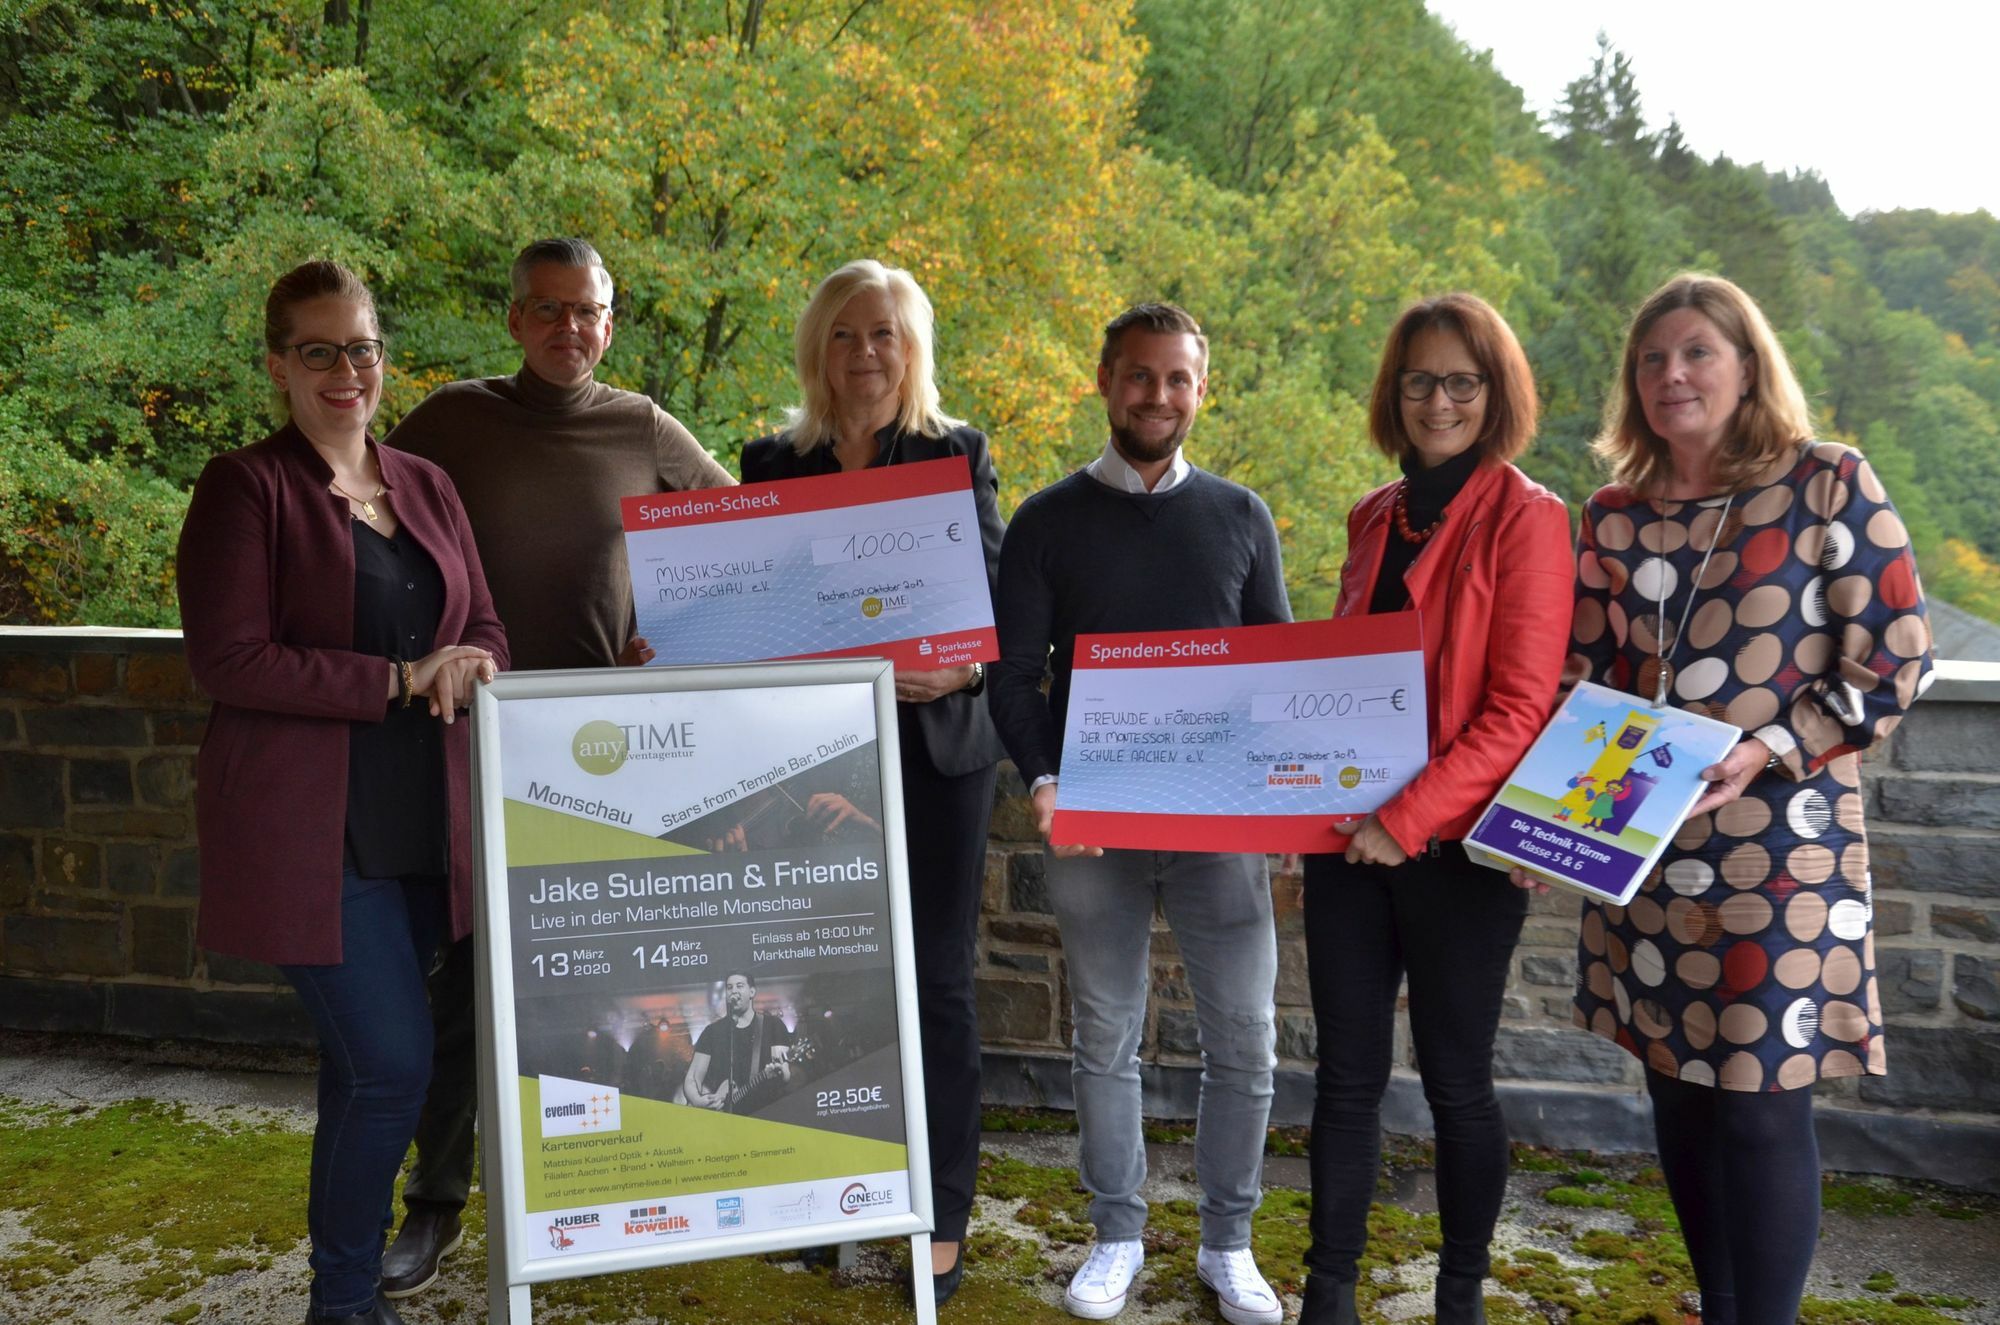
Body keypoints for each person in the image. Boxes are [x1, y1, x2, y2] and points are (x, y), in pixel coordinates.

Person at [1532, 273, 1935, 1325]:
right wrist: (1551, 822)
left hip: (1779, 850)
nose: (1672, 373)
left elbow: (1895, 656)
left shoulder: (1825, 481)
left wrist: (1768, 745)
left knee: (1758, 1108)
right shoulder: (1613, 515)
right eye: (1651, 359)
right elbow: (1588, 682)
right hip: (1647, 851)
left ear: (1747, 367)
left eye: (1696, 352)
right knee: (1676, 1092)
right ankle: (1718, 1307)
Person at [379, 237, 735, 1298]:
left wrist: (675, 633)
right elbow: (367, 520)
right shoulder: (451, 420)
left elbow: (743, 540)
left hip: (604, 760)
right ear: (514, 319)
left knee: (601, 989)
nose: (569, 328)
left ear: (609, 324)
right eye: (548, 308)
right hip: (465, 746)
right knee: (461, 990)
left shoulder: (643, 427)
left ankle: (600, 1199)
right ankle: (435, 1201)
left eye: (588, 311)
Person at [177, 260, 508, 1325]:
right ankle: (346, 1301)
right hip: (312, 832)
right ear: (279, 364)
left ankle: (343, 1288)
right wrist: (399, 679)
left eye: (361, 347)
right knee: (393, 1065)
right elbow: (228, 658)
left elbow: (483, 623)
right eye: (318, 350)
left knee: (362, 1066)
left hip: (424, 823)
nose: (345, 370)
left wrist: (473, 661)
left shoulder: (426, 483)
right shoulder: (246, 487)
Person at [989, 303, 1290, 1325]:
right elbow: (1014, 676)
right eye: (1138, 375)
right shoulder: (1045, 521)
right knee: (1104, 1035)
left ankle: (1228, 1241)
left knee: (1244, 1038)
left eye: (1176, 378)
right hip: (1093, 824)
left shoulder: (1242, 516)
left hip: (1219, 831)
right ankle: (1115, 1232)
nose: (1157, 395)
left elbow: (1276, 673)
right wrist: (1043, 779)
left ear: (1201, 389)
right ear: (1105, 381)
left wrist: (1291, 801)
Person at [1296, 295, 1572, 1325]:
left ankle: (1460, 1295)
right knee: (1343, 1079)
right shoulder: (1374, 514)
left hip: (1458, 849)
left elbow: (1518, 708)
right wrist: (1299, 800)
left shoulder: (1529, 517)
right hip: (1346, 846)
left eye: (1462, 381)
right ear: (1394, 390)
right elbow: (1343, 679)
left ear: (1495, 393)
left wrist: (1404, 819)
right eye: (1419, 379)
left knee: (1456, 1081)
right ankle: (1328, 1291)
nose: (1439, 400)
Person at [740, 258, 1006, 1305]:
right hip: (811, 758)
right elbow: (745, 605)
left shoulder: (954, 452)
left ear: (912, 349)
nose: (865, 353)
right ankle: (825, 1195)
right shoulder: (772, 460)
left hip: (932, 755)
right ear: (818, 347)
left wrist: (966, 667)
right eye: (845, 333)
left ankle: (939, 1214)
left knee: (934, 984)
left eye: (885, 333)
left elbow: (996, 603)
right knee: (817, 977)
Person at [685, 972, 796, 1111]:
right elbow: (692, 1078)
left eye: (739, 986)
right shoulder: (712, 1032)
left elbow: (785, 1073)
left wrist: (781, 1073)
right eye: (729, 987)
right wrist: (698, 1101)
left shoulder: (772, 1025)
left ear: (752, 992)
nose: (734, 991)